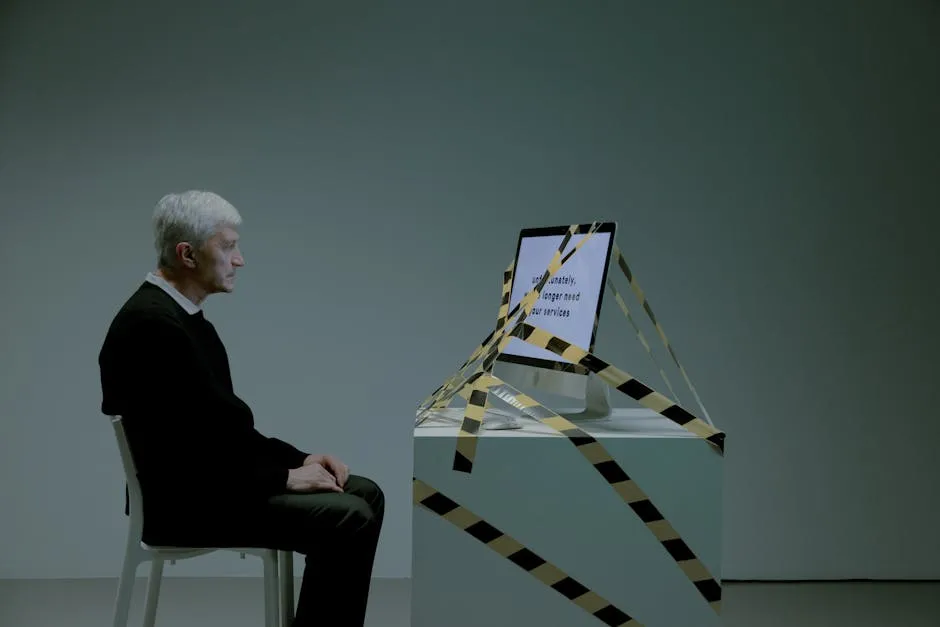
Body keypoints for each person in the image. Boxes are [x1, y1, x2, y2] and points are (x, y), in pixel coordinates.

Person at [98, 190, 384, 627]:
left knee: (364, 493)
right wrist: (286, 477)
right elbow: (188, 455)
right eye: (228, 246)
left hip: (213, 482)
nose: (239, 260)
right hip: (184, 502)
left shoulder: (182, 317)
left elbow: (223, 431)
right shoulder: (152, 327)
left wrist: (301, 460)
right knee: (349, 518)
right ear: (187, 254)